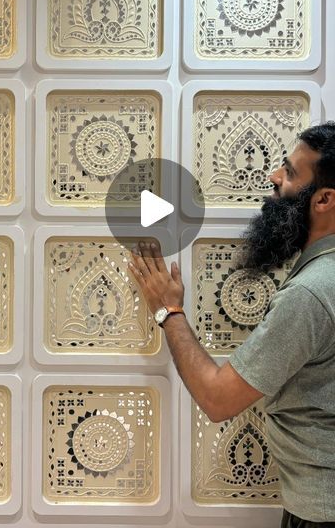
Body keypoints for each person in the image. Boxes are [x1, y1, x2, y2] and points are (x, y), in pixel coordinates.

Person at [128, 122, 335, 528]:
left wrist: (169, 311)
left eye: (291, 173)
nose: (274, 178)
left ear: (325, 199)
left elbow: (219, 399)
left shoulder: (312, 293)